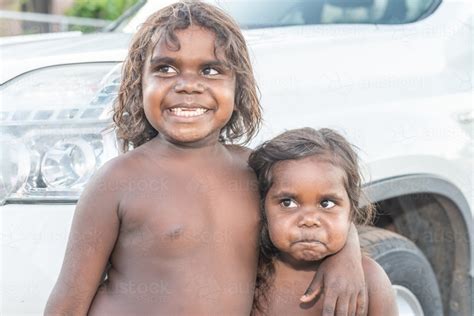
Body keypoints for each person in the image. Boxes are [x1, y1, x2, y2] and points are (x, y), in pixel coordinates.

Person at [45, 2, 367, 315]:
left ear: (237, 86)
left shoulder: (256, 170)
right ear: (138, 84)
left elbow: (319, 205)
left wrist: (346, 256)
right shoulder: (116, 181)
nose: (188, 86)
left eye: (210, 70)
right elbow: (68, 301)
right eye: (165, 68)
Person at [249, 127, 398, 316]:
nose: (309, 220)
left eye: (326, 204)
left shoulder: (371, 280)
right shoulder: (250, 273)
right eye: (288, 203)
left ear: (351, 211)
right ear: (263, 209)